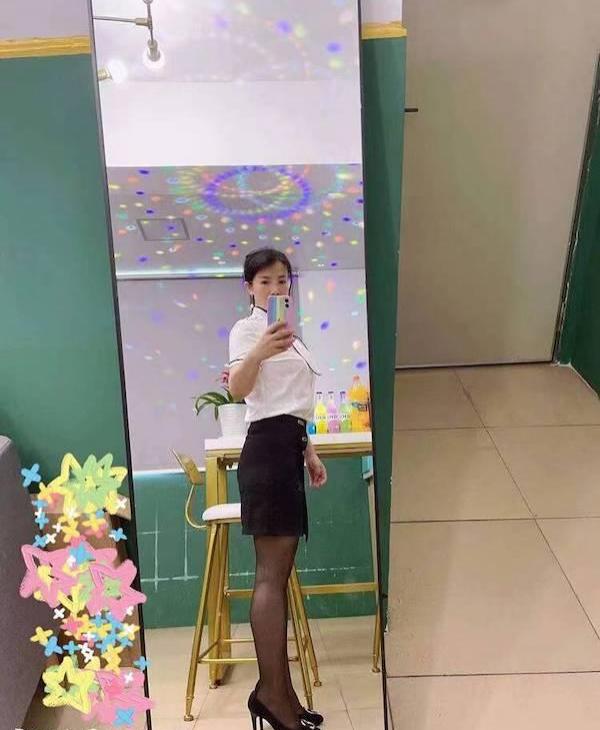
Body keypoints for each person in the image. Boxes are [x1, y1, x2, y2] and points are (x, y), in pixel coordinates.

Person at [228, 248, 327, 730]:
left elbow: (290, 404)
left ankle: (281, 693)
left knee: (279, 574)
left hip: (287, 448)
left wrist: (308, 451)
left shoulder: (293, 337)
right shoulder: (248, 331)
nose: (275, 288)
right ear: (249, 287)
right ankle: (271, 696)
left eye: (282, 280)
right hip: (266, 453)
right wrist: (259, 352)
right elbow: (239, 390)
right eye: (265, 281)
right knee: (270, 574)